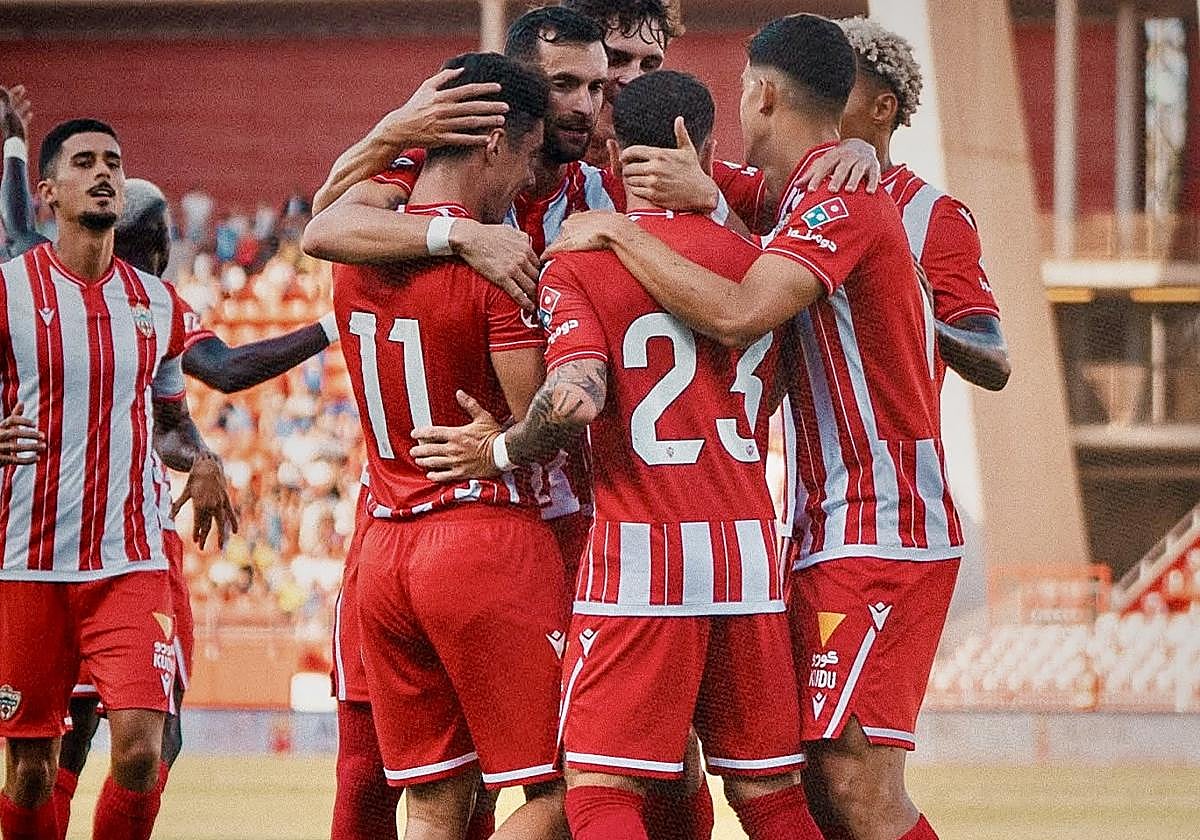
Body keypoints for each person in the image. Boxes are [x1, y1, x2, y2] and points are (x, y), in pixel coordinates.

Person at [547, 14, 961, 840]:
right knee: (798, 788)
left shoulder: (839, 197)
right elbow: (732, 196)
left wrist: (620, 228)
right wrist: (706, 191)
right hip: (792, 530)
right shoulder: (800, 196)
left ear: (763, 94)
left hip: (882, 522)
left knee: (855, 785)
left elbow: (739, 312)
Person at [411, 68, 825, 840]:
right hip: (748, 553)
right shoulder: (764, 262)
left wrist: (500, 448)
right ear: (703, 148)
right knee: (771, 796)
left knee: (602, 791)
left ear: (613, 153)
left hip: (642, 554)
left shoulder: (582, 260)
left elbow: (573, 400)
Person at [333, 52, 569, 840]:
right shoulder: (497, 258)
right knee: (578, 785)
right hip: (480, 539)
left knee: (435, 802)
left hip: (385, 552)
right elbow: (538, 420)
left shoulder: (356, 238)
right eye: (529, 155)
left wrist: (391, 132)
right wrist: (508, 441)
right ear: (495, 143)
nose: (529, 178)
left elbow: (323, 219)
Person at [0, 118, 210, 840]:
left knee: (143, 751)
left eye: (114, 163)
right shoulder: (9, 291)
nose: (104, 174)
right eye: (85, 162)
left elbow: (192, 401)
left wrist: (204, 459)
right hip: (28, 562)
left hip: (130, 560)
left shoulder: (157, 302)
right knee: (31, 771)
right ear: (49, 193)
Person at [836, 16, 1010, 393]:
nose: (820, 103)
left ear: (882, 108)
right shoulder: (788, 194)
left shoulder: (933, 214)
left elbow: (995, 361)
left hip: (899, 434)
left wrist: (916, 316)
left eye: (837, 90)